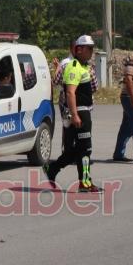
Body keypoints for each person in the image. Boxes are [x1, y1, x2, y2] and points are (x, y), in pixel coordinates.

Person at [44, 35, 100, 192]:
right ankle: (85, 182)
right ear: (79, 49)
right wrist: (75, 114)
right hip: (79, 112)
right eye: (89, 48)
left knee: (75, 150)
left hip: (84, 111)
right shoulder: (74, 67)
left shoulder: (84, 67)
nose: (91, 51)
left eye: (92, 48)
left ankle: (53, 168)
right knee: (86, 149)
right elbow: (70, 93)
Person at [52, 40, 99, 146]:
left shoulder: (65, 64)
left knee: (70, 129)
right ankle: (78, 153)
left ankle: (70, 152)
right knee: (82, 132)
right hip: (78, 104)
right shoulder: (85, 66)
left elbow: (56, 81)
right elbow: (94, 87)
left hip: (68, 104)